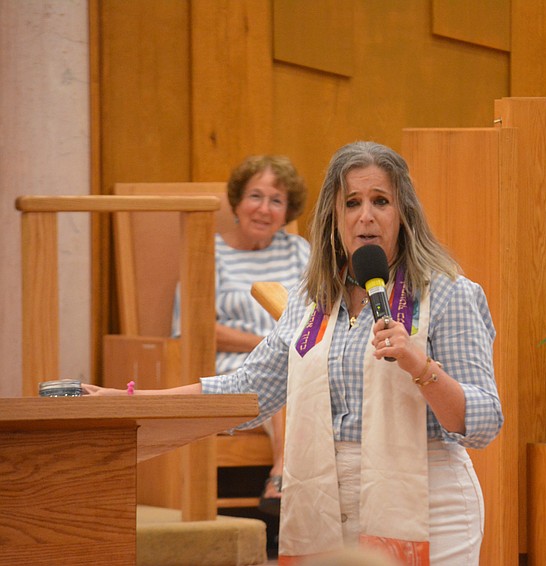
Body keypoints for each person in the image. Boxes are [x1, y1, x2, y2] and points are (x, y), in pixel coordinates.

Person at [86, 141, 503, 565]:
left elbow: (483, 422)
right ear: (333, 217)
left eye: (381, 201)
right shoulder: (312, 300)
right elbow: (248, 392)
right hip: (328, 511)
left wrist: (420, 365)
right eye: (352, 203)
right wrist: (132, 403)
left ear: (404, 214)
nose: (366, 216)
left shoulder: (449, 292)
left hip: (430, 508)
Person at [172, 154, 310, 514]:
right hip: (230, 362)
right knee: (274, 371)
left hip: (298, 356)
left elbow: (320, 310)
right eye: (256, 196)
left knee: (290, 370)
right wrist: (266, 345)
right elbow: (191, 326)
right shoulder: (208, 253)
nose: (264, 209)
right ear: (237, 201)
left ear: (287, 211)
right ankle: (283, 473)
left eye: (276, 201)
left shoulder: (298, 251)